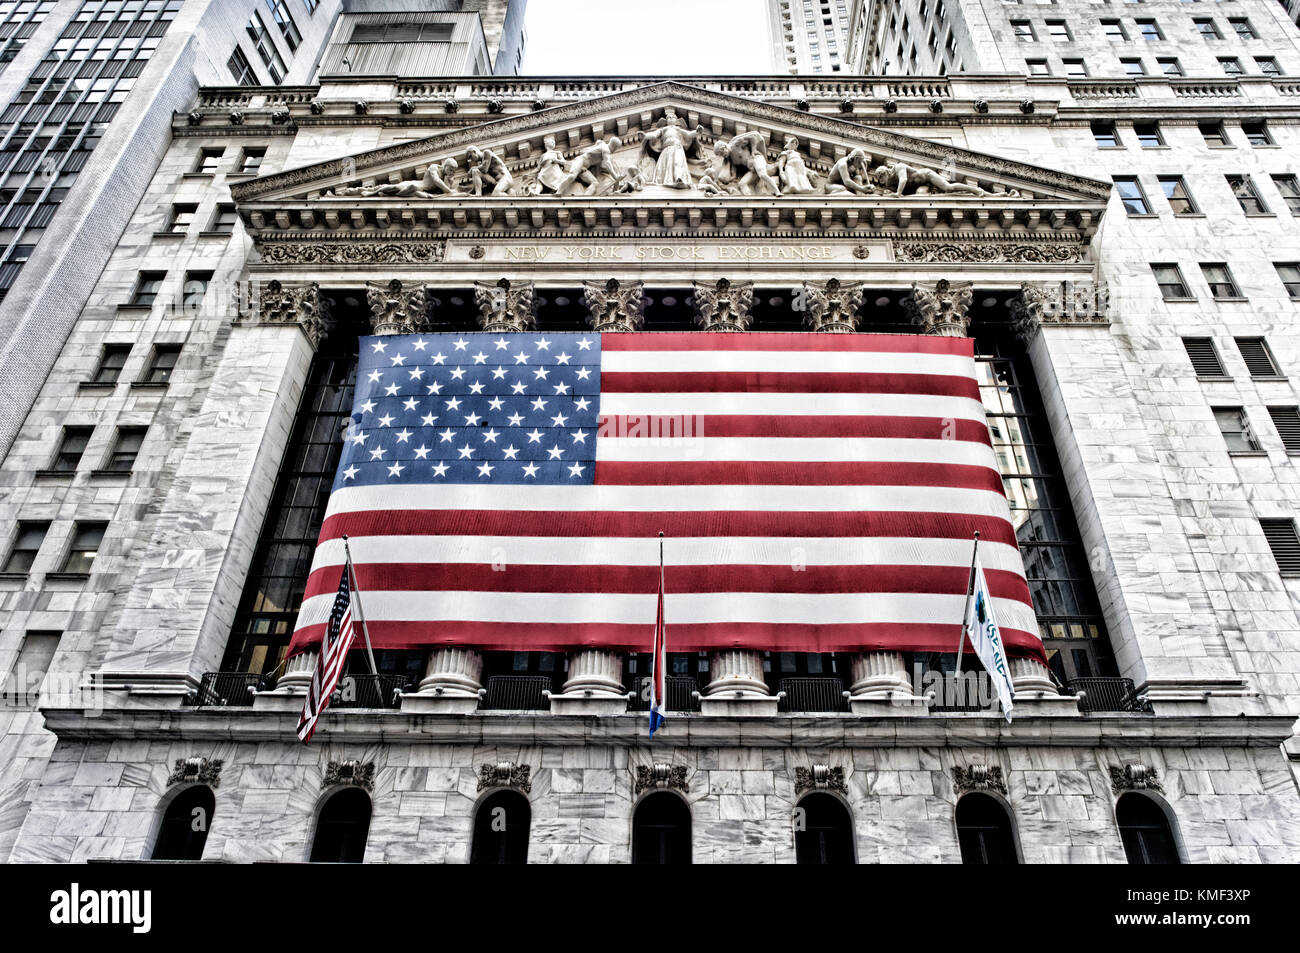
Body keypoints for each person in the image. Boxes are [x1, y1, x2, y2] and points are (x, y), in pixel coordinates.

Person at [642, 107, 704, 189]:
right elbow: (654, 135)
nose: (671, 119)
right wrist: (645, 135)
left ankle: (679, 178)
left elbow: (689, 134)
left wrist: (697, 132)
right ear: (666, 121)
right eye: (669, 118)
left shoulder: (678, 129)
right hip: (667, 149)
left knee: (677, 163)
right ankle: (667, 180)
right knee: (664, 166)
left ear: (676, 121)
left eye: (673, 117)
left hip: (677, 148)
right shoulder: (664, 129)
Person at [871, 159, 987, 196]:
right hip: (919, 188)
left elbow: (904, 179)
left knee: (948, 187)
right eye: (880, 180)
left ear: (885, 173)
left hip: (927, 176)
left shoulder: (898, 167)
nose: (881, 182)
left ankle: (975, 190)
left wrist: (897, 194)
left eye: (881, 178)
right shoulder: (889, 184)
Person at [717, 130, 781, 196]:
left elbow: (753, 136)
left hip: (755, 159)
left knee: (762, 174)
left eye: (721, 153)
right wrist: (727, 181)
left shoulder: (736, 143)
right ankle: (750, 201)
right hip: (752, 169)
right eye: (721, 155)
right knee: (741, 184)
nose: (723, 156)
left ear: (723, 148)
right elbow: (734, 174)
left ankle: (777, 191)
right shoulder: (731, 159)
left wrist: (754, 150)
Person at [554, 136, 623, 196]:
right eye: (616, 148)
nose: (615, 150)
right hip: (580, 161)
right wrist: (615, 176)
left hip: (584, 168)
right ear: (614, 146)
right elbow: (607, 163)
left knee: (595, 183)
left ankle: (585, 198)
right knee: (572, 176)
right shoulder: (606, 149)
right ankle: (558, 191)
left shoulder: (603, 147)